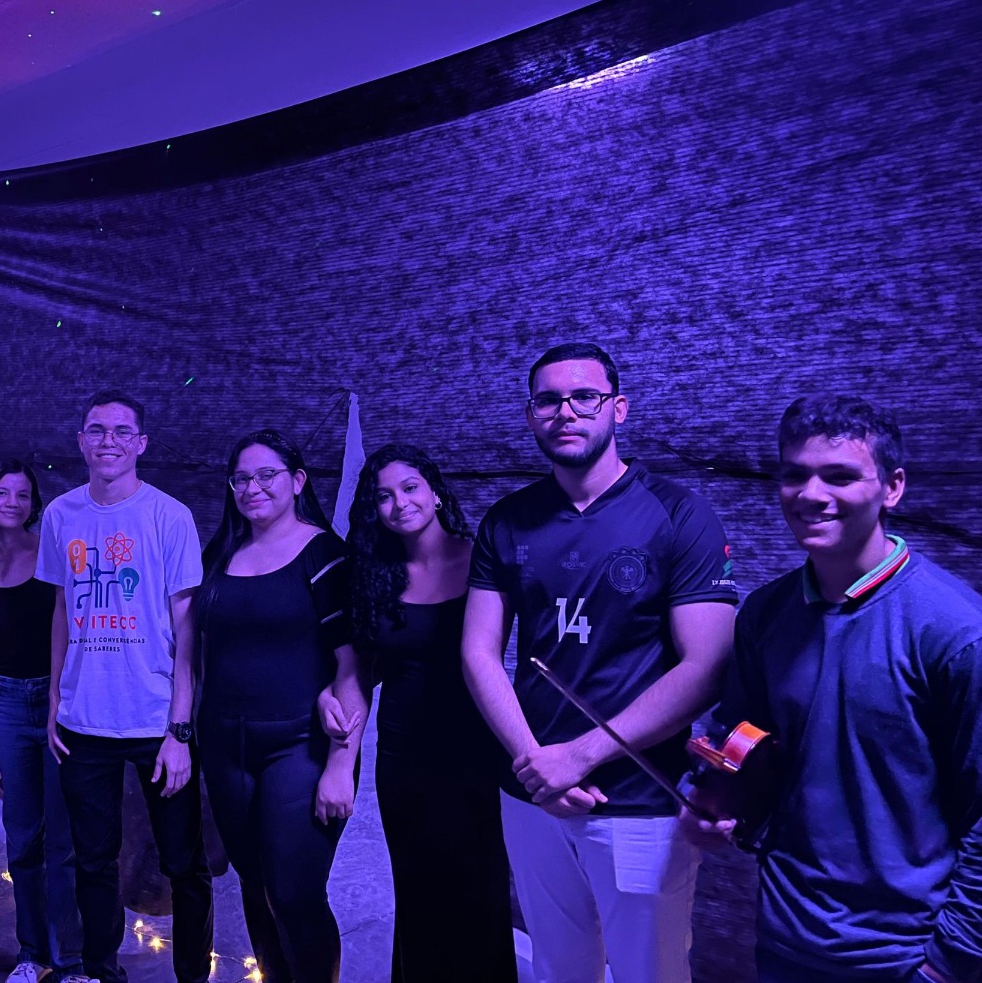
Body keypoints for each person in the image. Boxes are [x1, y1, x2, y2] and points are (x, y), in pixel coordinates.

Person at [461, 342, 738, 983]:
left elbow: (706, 664)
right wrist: (536, 762)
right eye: (548, 400)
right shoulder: (507, 520)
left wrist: (578, 757)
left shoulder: (679, 512)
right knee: (558, 967)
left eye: (584, 397)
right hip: (532, 791)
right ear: (531, 416)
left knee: (650, 972)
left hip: (638, 800)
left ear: (618, 408)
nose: (566, 411)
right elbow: (478, 651)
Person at [681, 396, 982, 983]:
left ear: (892, 487)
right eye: (795, 475)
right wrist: (713, 800)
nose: (811, 494)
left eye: (839, 476)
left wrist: (950, 963)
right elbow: (739, 738)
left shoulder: (957, 631)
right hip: (784, 936)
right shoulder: (766, 614)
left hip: (906, 955)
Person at [319, 443, 517, 982]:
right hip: (405, 755)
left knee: (480, 892)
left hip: (477, 749)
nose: (399, 503)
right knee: (418, 891)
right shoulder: (373, 573)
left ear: (435, 492)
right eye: (384, 496)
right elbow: (360, 670)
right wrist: (336, 738)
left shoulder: (483, 557)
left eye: (409, 488)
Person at [37, 389, 213, 983]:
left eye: (120, 431)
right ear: (80, 441)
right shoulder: (61, 514)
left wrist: (180, 731)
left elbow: (187, 627)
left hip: (156, 722)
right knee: (93, 861)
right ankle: (101, 970)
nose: (107, 440)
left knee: (183, 865)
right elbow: (61, 611)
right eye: (96, 429)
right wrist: (56, 698)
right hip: (84, 723)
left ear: (140, 443)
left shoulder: (169, 516)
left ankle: (192, 975)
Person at [194, 430, 358, 983]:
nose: (253, 487)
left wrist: (340, 765)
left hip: (299, 746)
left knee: (293, 893)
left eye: (267, 475)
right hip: (225, 745)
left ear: (298, 481)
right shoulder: (221, 553)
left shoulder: (326, 555)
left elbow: (354, 667)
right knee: (253, 884)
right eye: (241, 478)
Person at [0, 461, 83, 983]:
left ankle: (71, 959)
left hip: (56, 700)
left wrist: (58, 700)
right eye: (2, 493)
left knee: (63, 841)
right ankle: (32, 953)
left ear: (34, 503)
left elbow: (69, 629)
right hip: (8, 704)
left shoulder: (52, 553)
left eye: (22, 494)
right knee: (22, 837)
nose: (12, 502)